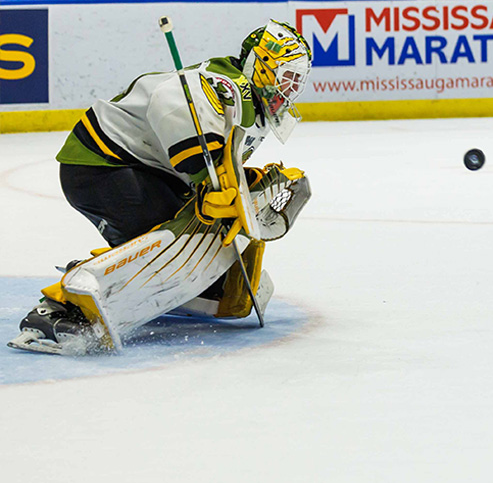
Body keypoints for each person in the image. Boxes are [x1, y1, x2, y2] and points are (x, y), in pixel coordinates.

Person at [8, 21, 313, 355]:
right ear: (261, 65)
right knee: (176, 237)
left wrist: (240, 180)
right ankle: (60, 307)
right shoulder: (225, 84)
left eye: (297, 81)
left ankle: (177, 286)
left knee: (203, 237)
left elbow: (218, 164)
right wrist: (202, 167)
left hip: (143, 169)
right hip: (103, 163)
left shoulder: (251, 105)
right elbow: (168, 101)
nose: (290, 89)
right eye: (288, 77)